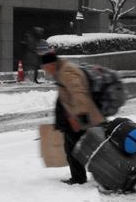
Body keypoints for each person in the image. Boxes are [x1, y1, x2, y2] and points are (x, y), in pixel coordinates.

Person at [41, 52, 104, 185]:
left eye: (45, 67)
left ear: (51, 64)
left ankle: (81, 178)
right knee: (74, 148)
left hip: (78, 118)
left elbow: (78, 91)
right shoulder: (61, 70)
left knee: (74, 149)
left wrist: (81, 116)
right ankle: (81, 176)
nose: (45, 70)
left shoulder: (66, 72)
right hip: (74, 117)